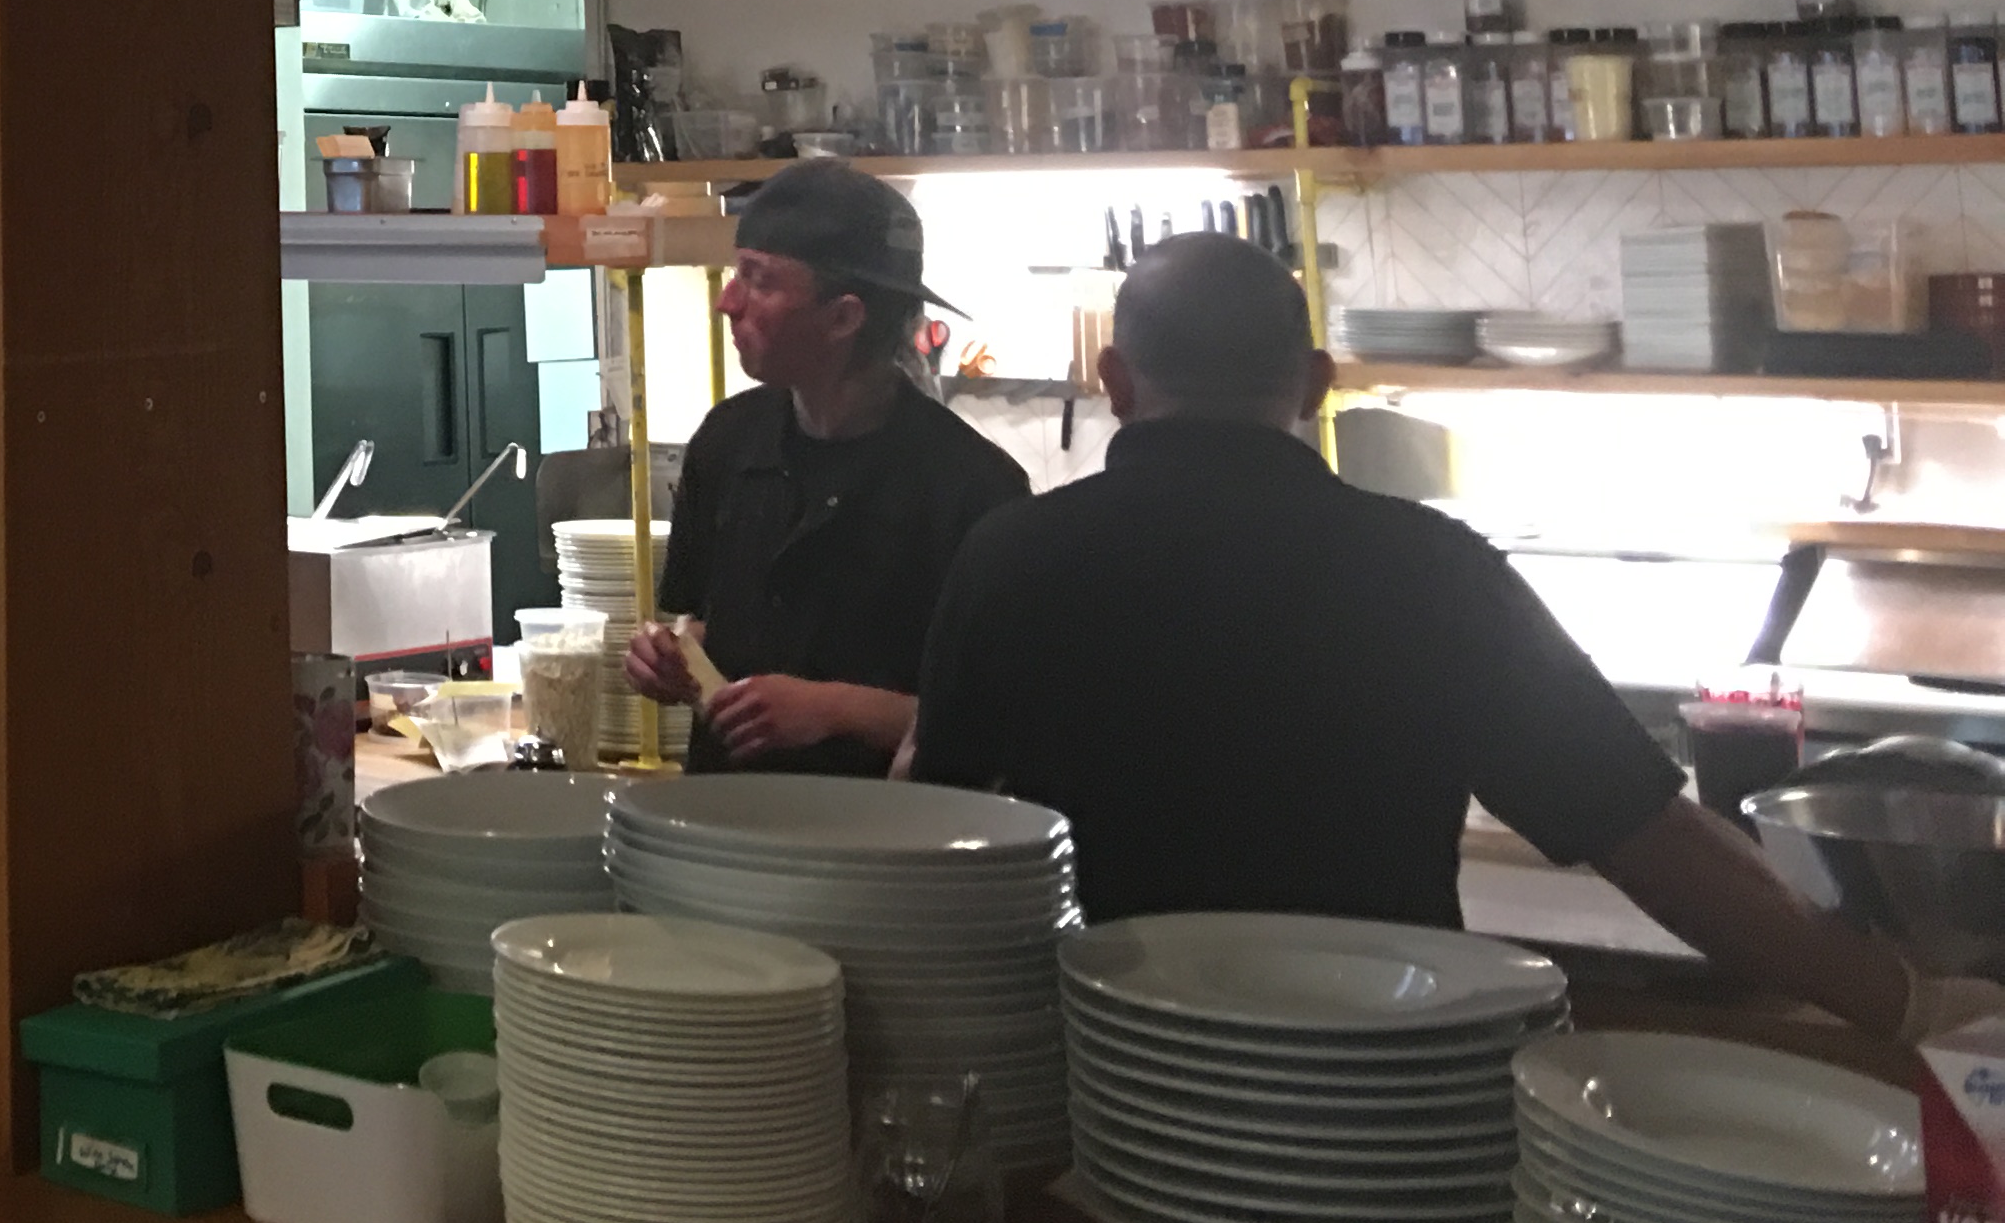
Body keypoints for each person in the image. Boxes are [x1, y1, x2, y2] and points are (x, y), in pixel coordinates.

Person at [906, 234, 1940, 1040]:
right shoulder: (1431, 569)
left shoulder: (1009, 557)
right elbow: (1645, 836)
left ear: (1115, 380)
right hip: (1383, 1089)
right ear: (1317, 383)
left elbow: (937, 830)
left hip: (1118, 1070)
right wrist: (1905, 1005)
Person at [619, 161, 1027, 776]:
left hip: (883, 827)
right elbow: (698, 620)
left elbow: (999, 719)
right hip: (723, 818)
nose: (727, 302)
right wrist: (672, 657)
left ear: (843, 318)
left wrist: (835, 710)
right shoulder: (726, 442)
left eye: (759, 281)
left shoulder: (973, 490)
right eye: (737, 273)